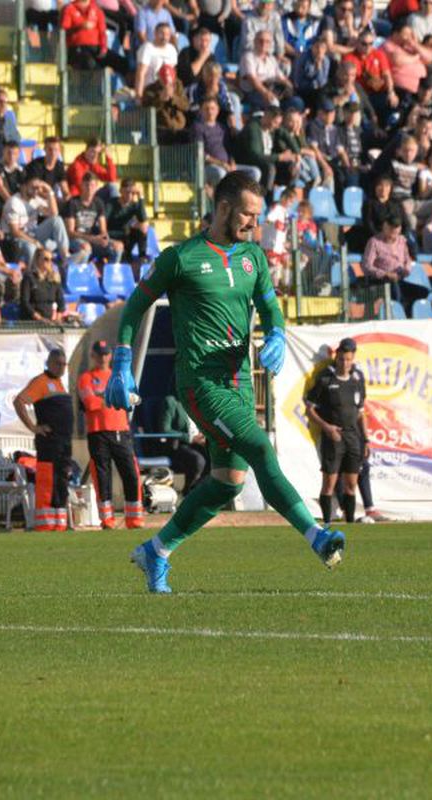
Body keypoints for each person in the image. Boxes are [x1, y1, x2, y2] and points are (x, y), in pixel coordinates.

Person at [104, 171, 345, 594]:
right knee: (259, 448)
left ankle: (156, 552)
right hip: (202, 384)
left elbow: (271, 310)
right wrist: (122, 361)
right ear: (223, 209)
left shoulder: (253, 259)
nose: (254, 223)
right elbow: (134, 307)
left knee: (225, 484)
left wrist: (276, 335)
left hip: (239, 385)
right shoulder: (181, 258)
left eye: (257, 215)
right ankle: (316, 535)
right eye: (248, 215)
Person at [78, 340, 144, 530]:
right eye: (99, 354)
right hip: (98, 432)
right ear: (93, 356)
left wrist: (104, 398)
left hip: (121, 430)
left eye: (106, 354)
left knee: (131, 473)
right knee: (102, 476)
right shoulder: (87, 377)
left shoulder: (120, 376)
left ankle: (134, 518)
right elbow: (89, 403)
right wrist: (114, 398)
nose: (103, 358)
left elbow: (133, 399)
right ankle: (107, 520)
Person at [304, 337, 366, 525]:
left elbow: (362, 412)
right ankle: (327, 521)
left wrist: (366, 440)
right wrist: (327, 427)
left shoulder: (357, 379)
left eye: (348, 359)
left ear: (353, 358)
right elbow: (309, 409)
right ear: (336, 357)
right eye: (341, 359)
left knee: (351, 484)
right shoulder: (325, 379)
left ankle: (350, 521)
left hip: (353, 437)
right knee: (329, 483)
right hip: (333, 436)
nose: (344, 363)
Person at [14, 347, 74, 532]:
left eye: (64, 364)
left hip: (64, 442)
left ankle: (60, 523)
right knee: (48, 480)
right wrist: (34, 427)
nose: (62, 367)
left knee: (62, 480)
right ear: (48, 363)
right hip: (49, 442)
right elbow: (19, 402)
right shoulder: (40, 382)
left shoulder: (60, 384)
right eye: (58, 363)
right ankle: (45, 523)